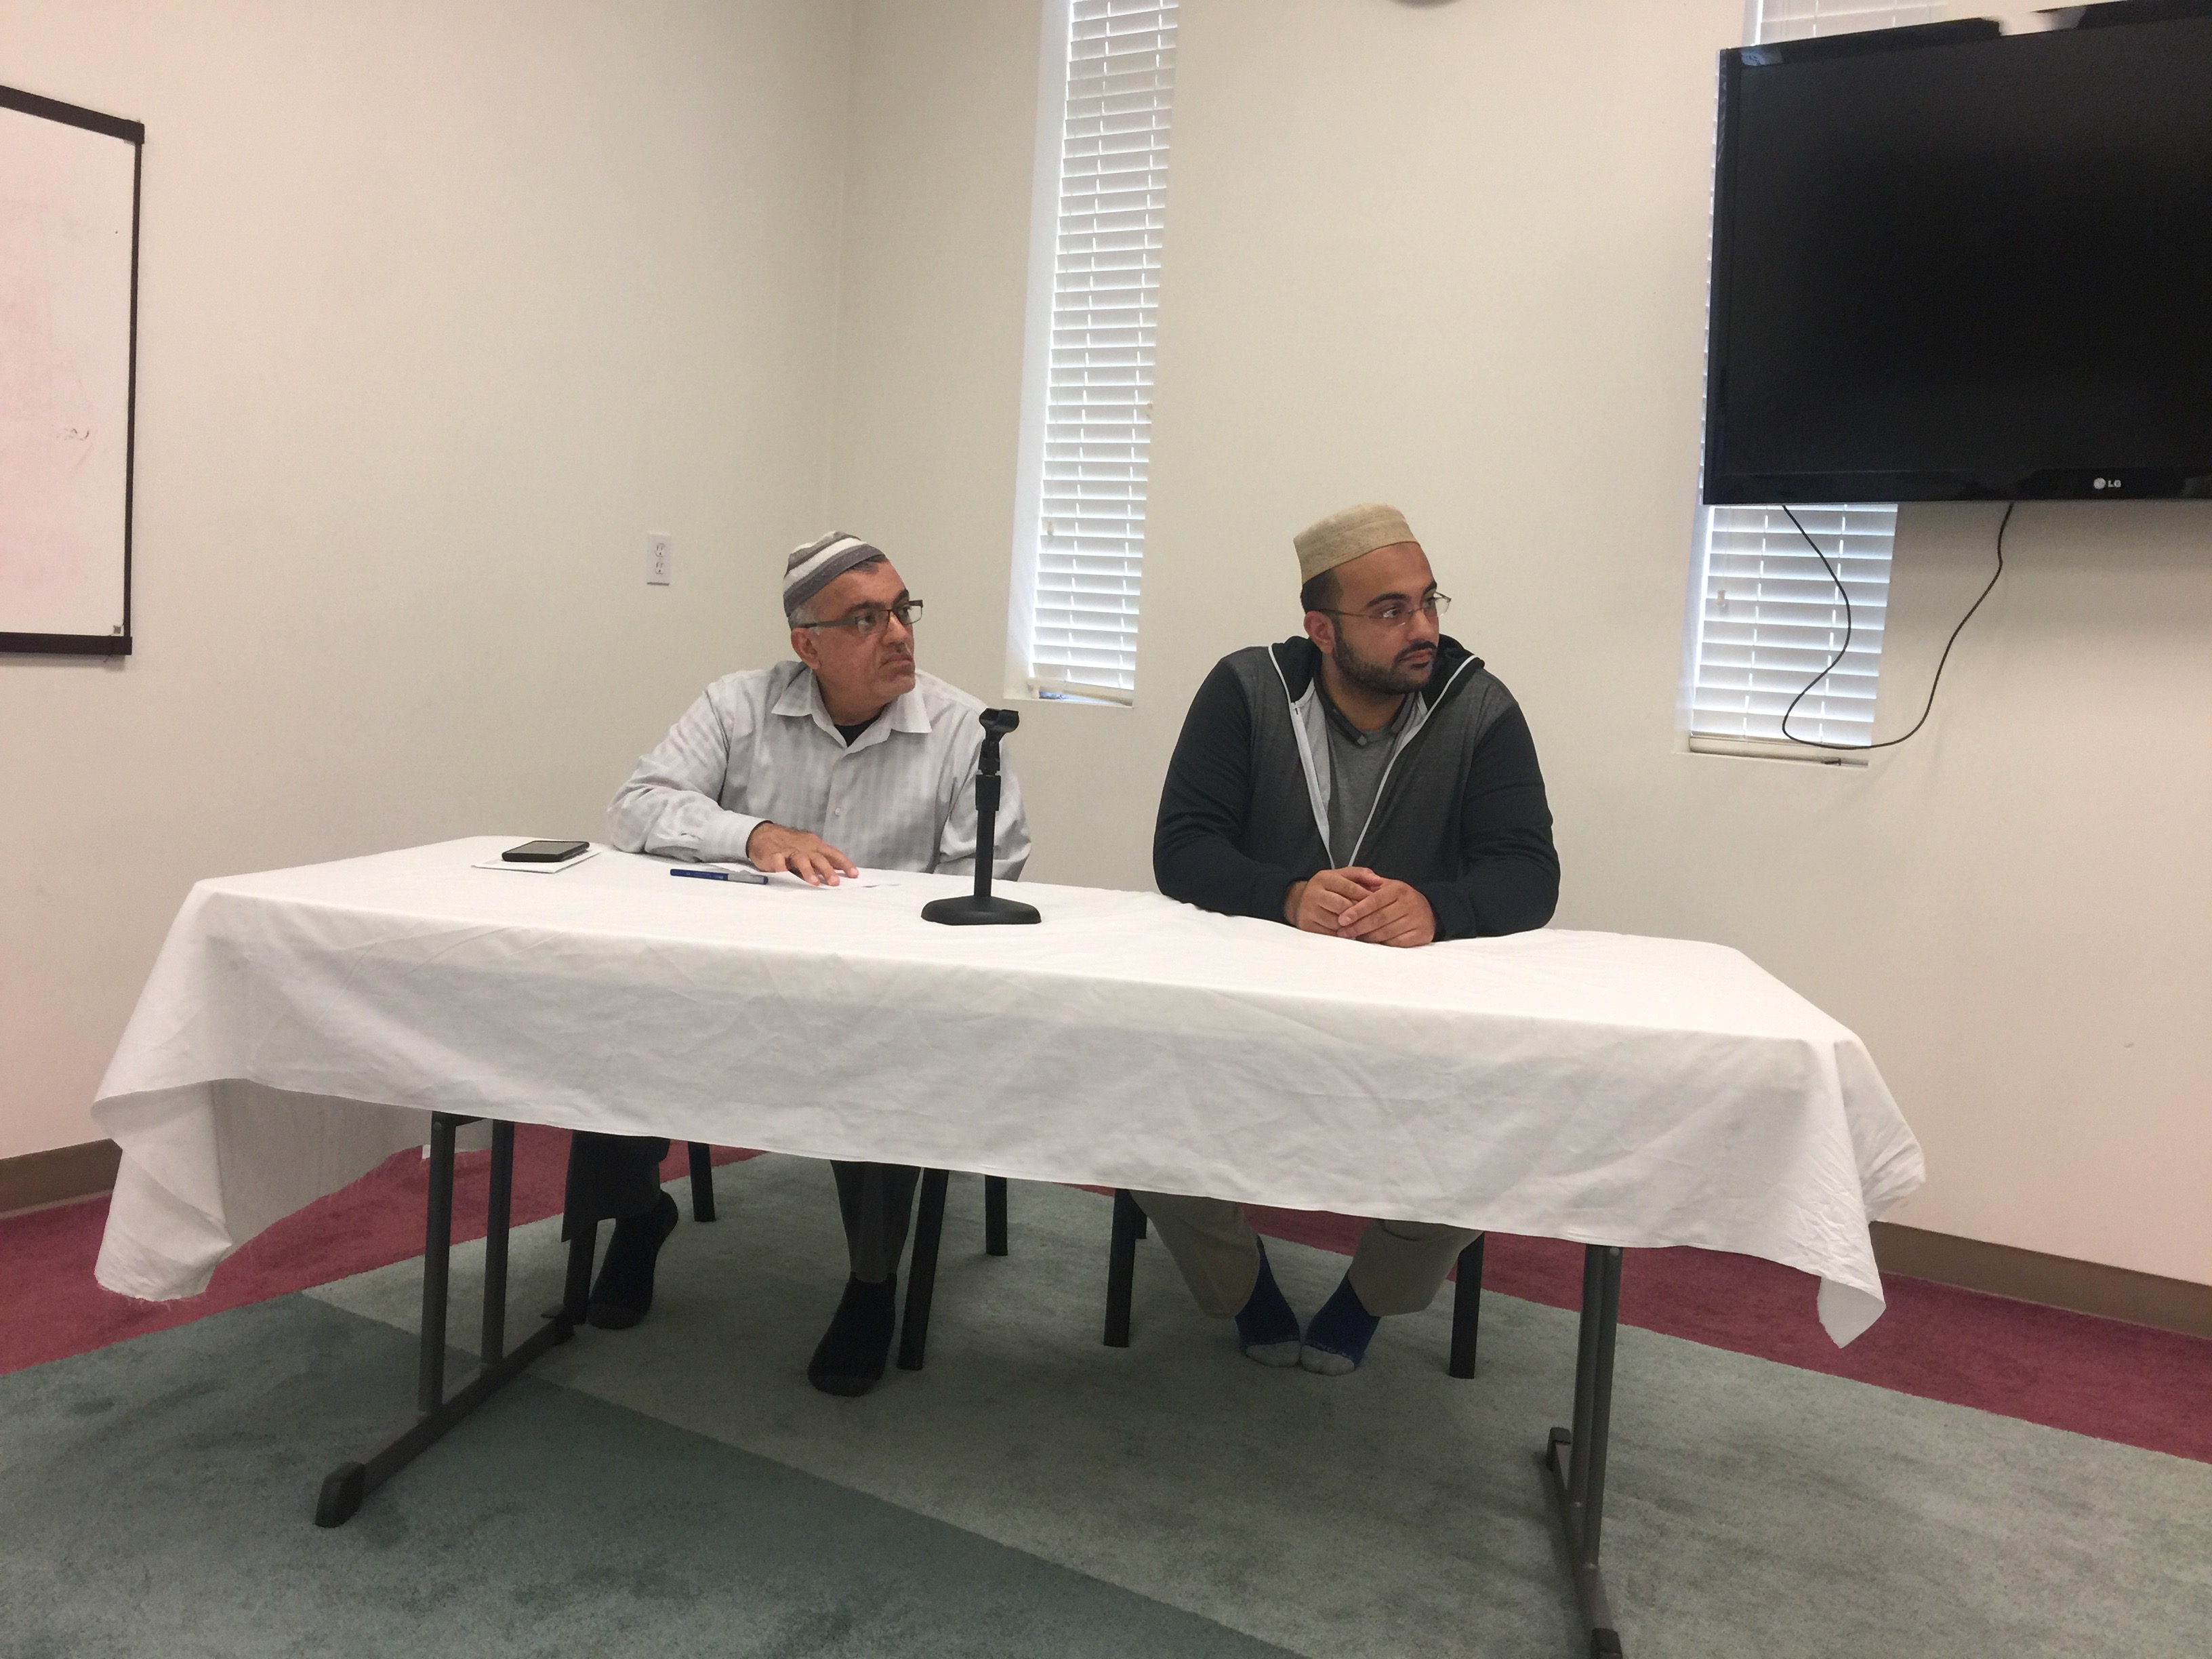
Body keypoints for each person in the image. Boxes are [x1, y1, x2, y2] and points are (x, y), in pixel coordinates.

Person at [576, 530, 1029, 1397]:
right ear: (806, 645)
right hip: (731, 983)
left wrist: (875, 948)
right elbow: (635, 807)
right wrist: (753, 834)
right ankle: (637, 1215)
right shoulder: (736, 707)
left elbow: (987, 874)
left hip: (875, 995)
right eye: (865, 619)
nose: (897, 634)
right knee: (610, 1009)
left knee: (887, 1056)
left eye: (902, 610)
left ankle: (872, 1282)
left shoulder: (966, 731)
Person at [1145, 502, 1559, 1374]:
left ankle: (1369, 1296)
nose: (1425, 629)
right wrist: (1287, 895)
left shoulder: (1478, 705)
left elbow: (1529, 873)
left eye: (1429, 601)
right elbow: (1182, 849)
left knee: (1507, 1118)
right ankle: (1242, 1288)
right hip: (1249, 1010)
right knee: (1133, 1094)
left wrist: (1437, 909)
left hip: (1415, 1026)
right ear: (1323, 631)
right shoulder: (1247, 689)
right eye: (1392, 610)